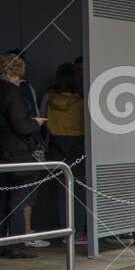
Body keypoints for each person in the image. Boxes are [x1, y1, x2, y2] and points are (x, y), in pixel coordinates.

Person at [0, 52, 46, 259]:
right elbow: (20, 126)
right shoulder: (13, 93)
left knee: (0, 199)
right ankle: (18, 244)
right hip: (17, 154)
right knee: (19, 199)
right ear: (14, 73)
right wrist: (35, 123)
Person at [45, 63, 87, 244]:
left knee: (60, 192)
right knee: (78, 192)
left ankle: (65, 230)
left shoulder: (48, 98)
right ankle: (77, 233)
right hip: (78, 147)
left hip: (55, 146)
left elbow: (41, 121)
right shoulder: (82, 102)